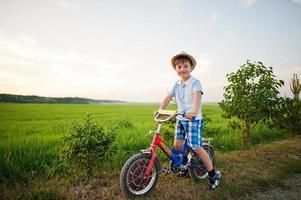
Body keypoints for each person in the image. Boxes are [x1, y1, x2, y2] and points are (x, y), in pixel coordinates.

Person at [158, 51, 221, 189]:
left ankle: (213, 174)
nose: (182, 69)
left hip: (193, 119)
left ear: (191, 67)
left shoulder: (195, 82)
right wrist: (161, 109)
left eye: (185, 66)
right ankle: (183, 167)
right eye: (179, 67)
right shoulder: (176, 84)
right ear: (176, 70)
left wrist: (193, 111)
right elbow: (168, 97)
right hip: (181, 118)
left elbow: (197, 98)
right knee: (178, 145)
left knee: (196, 147)